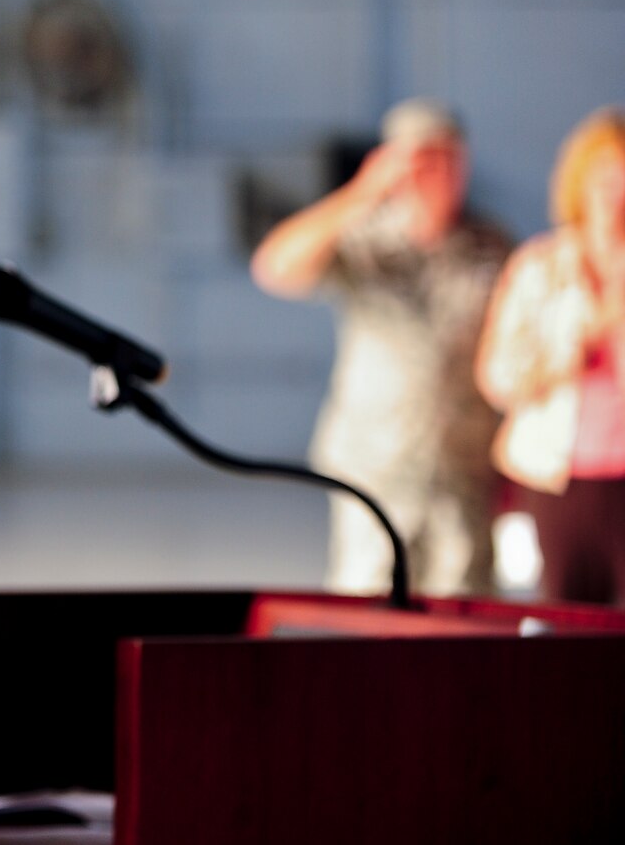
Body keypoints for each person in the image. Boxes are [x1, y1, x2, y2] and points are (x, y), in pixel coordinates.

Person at [251, 99, 510, 597]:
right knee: (368, 609)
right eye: (415, 158)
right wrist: (362, 193)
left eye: (441, 158)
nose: (427, 172)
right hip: (376, 469)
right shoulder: (363, 240)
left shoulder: (491, 245)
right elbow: (275, 266)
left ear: (462, 163)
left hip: (462, 472)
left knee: (464, 616)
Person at [476, 108, 625, 605]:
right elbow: (498, 376)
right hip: (561, 478)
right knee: (570, 624)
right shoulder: (539, 267)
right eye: (605, 178)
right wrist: (573, 347)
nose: (617, 195)